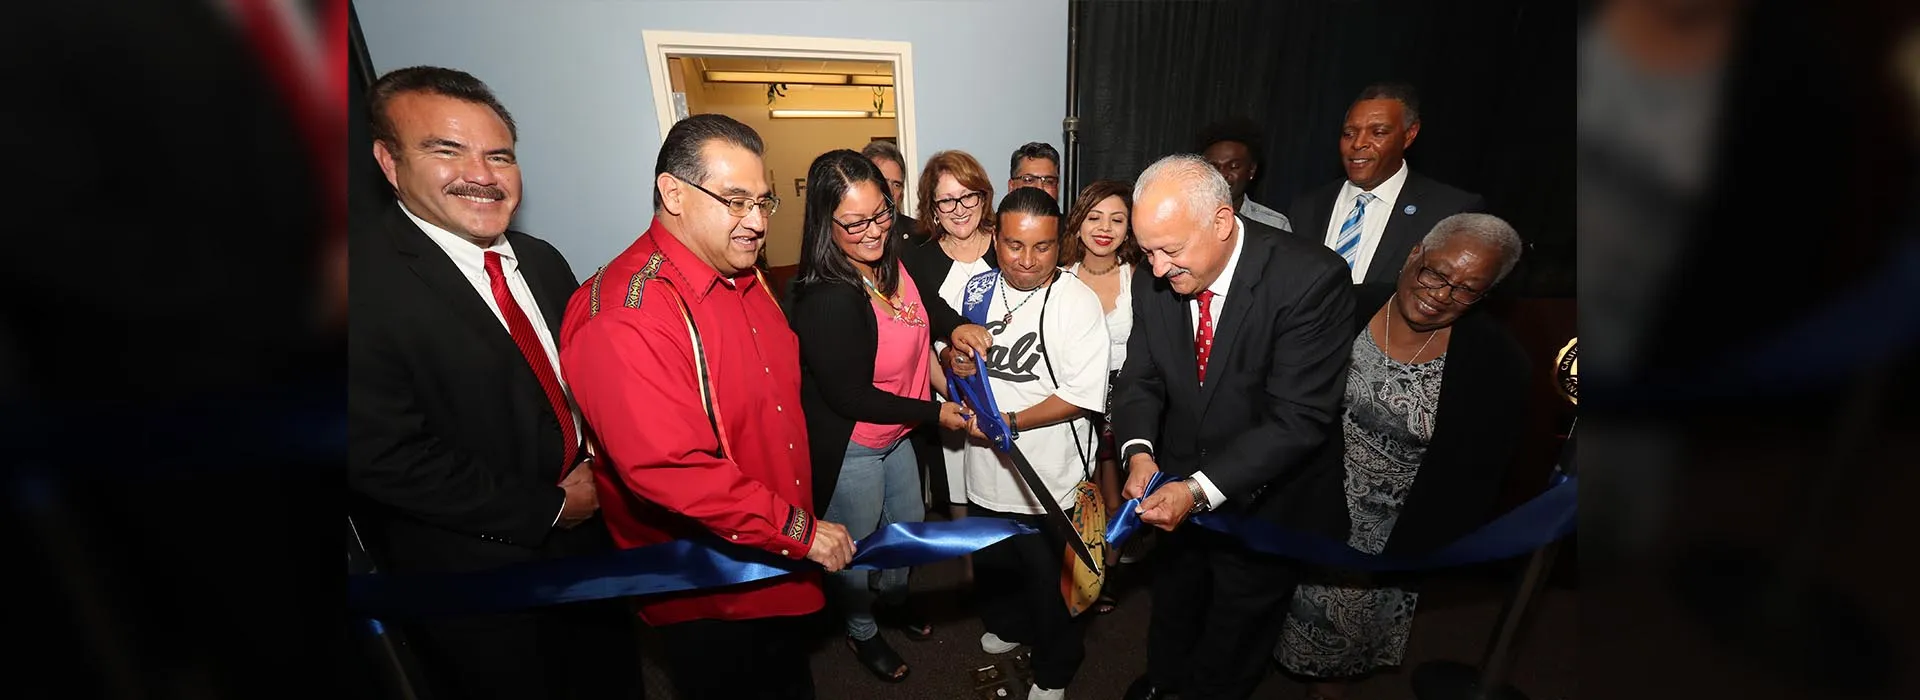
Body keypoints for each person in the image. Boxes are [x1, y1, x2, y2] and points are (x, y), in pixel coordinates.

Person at [348, 66, 641, 700]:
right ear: (389, 162)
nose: (481, 174)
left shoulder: (541, 259)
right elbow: (380, 456)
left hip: (591, 544)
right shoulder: (354, 283)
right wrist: (550, 507)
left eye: (499, 155)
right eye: (447, 150)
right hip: (475, 573)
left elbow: (579, 382)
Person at [557, 114, 854, 700]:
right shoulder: (624, 314)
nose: (757, 222)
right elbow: (671, 467)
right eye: (735, 201)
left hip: (772, 553)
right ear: (673, 193)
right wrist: (797, 529)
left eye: (763, 202)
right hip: (710, 587)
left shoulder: (746, 273)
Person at [1114, 154, 1356, 700]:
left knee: (1237, 628)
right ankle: (1164, 683)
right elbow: (1140, 379)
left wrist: (1198, 490)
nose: (1157, 269)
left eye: (1170, 250)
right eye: (1147, 251)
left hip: (1266, 500)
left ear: (1221, 222)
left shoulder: (1309, 279)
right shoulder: (1153, 278)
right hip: (1175, 479)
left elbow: (1298, 418)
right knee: (1174, 601)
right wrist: (1140, 454)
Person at [1274, 213, 1532, 700]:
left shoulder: (1497, 364)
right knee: (1253, 617)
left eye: (1466, 289)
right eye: (1436, 273)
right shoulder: (1342, 304)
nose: (1442, 294)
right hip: (1296, 495)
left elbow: (1477, 476)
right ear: (1415, 253)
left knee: (1332, 653)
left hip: (1381, 534)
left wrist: (1427, 548)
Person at [787, 149, 994, 682]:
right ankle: (861, 631)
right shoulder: (829, 297)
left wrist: (955, 326)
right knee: (855, 548)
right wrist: (935, 412)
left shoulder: (890, 254)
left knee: (906, 529)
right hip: (856, 441)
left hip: (899, 432)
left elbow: (925, 304)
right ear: (826, 223)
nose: (875, 230)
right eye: (855, 223)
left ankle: (894, 601)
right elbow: (851, 398)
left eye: (881, 212)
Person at [944, 186, 1109, 700]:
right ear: (996, 239)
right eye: (1015, 245)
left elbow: (1081, 396)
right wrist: (957, 362)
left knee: (1050, 584)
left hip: (1048, 478)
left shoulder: (1077, 301)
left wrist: (1009, 422)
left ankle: (1056, 670)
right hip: (985, 468)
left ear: (1060, 244)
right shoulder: (974, 290)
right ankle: (1009, 625)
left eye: (1043, 247)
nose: (1027, 260)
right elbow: (952, 359)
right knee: (997, 565)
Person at [1288, 83, 1485, 284]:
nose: (1358, 143)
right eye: (1349, 133)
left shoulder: (1449, 212)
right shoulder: (1307, 207)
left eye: (1378, 133)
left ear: (1409, 134)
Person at [901, 150, 1000, 535]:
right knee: (960, 490)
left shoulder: (1007, 245)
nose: (959, 209)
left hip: (1014, 393)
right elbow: (916, 336)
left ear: (983, 197)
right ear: (933, 207)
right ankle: (970, 564)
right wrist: (957, 395)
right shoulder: (916, 258)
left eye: (968, 196)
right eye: (946, 200)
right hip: (953, 398)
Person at [1059, 178, 1146, 588]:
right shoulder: (1059, 279)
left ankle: (1107, 571)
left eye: (1117, 219)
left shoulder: (1139, 278)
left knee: (1115, 492)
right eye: (1094, 217)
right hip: (1071, 396)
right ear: (1078, 223)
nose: (1104, 228)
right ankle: (1080, 569)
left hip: (1123, 397)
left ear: (1129, 229)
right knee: (1077, 491)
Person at [1197, 118, 1293, 231]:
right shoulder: (1186, 216)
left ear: (1251, 170)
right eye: (1214, 167)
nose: (1223, 174)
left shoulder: (1274, 225)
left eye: (1234, 166)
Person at [862, 140, 921, 243]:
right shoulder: (849, 232)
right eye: (882, 182)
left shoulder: (918, 235)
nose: (890, 191)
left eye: (896, 185)